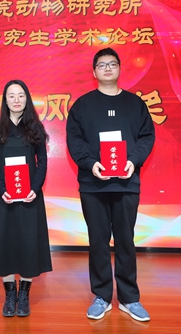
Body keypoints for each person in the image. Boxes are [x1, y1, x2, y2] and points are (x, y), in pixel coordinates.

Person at [66, 48, 155, 321]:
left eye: (112, 64)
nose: (107, 68)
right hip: (93, 184)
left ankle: (129, 298)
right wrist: (91, 163)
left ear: (119, 69)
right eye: (101, 65)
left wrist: (133, 161)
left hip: (126, 183)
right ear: (93, 72)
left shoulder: (135, 104)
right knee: (98, 241)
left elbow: (147, 136)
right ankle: (102, 295)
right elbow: (74, 140)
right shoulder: (82, 105)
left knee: (126, 241)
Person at [0, 79, 52, 317]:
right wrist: (0, 188)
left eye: (21, 95)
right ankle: (9, 294)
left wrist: (35, 188)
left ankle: (24, 294)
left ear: (27, 99)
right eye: (11, 96)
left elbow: (42, 162)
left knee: (28, 243)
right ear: (5, 100)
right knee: (4, 242)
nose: (16, 100)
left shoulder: (35, 128)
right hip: (4, 196)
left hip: (29, 197)